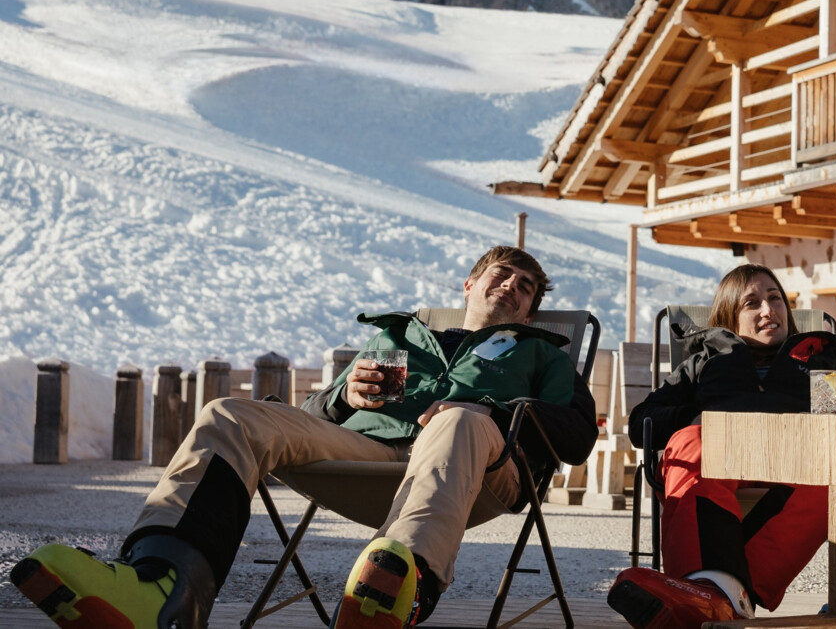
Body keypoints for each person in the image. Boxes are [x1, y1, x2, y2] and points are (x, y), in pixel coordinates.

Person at [8, 246, 596, 629]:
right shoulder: (402, 336)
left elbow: (574, 434)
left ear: (529, 312)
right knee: (231, 415)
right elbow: (314, 414)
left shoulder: (538, 354)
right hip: (368, 453)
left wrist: (486, 407)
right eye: (503, 275)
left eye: (526, 288)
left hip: (480, 467)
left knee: (458, 420)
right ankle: (160, 590)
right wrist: (347, 396)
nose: (513, 287)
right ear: (470, 282)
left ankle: (400, 594)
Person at [609, 264, 836, 629]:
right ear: (730, 318)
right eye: (752, 303)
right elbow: (644, 421)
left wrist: (825, 425)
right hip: (719, 464)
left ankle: (711, 596)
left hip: (801, 469)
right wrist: (703, 422)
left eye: (775, 299)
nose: (769, 310)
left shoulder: (823, 359)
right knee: (689, 441)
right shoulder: (706, 361)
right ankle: (720, 597)